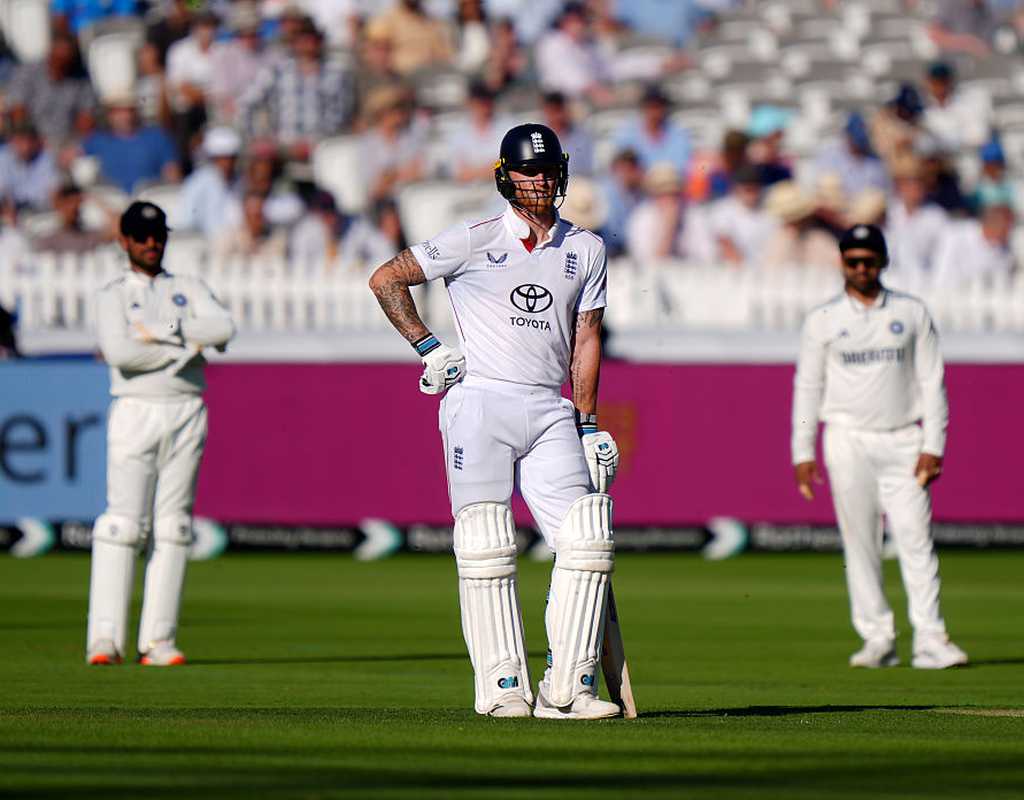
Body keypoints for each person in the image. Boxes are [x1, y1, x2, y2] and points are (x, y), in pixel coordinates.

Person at [368, 123, 623, 720]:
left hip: (550, 408)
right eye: (527, 171)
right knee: (486, 542)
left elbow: (587, 339)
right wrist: (429, 347)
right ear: (504, 175)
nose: (538, 182)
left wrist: (588, 425)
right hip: (479, 401)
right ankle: (503, 685)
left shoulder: (586, 248)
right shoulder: (475, 237)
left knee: (586, 538)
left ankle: (569, 688)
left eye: (547, 170)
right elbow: (387, 279)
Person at [791, 223, 968, 671]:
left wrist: (934, 444)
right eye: (853, 261)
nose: (862, 269)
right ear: (842, 264)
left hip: (905, 438)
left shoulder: (911, 313)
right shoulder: (824, 319)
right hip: (847, 438)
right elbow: (808, 387)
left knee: (915, 538)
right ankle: (877, 637)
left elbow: (933, 383)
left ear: (883, 262)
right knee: (861, 542)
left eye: (869, 261)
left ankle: (931, 638)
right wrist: (802, 453)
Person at [87, 201, 236, 666]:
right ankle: (104, 639)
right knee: (122, 525)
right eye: (141, 236)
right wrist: (187, 347)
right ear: (124, 241)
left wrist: (163, 330)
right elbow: (120, 353)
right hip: (135, 409)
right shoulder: (112, 294)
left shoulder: (186, 287)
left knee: (174, 526)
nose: (151, 243)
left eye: (158, 235)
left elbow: (225, 326)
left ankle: (158, 641)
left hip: (186, 408)